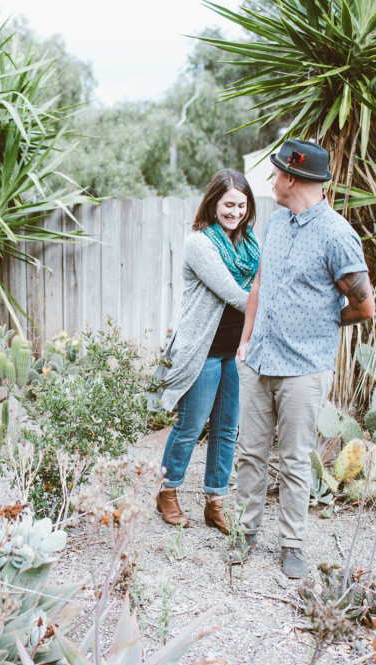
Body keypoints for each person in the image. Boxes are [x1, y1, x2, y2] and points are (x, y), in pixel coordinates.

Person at [230, 139, 375, 577]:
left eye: (276, 174)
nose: (272, 182)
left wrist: (322, 325)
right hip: (258, 362)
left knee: (295, 460)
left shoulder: (336, 235)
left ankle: (292, 543)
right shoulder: (275, 225)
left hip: (304, 370)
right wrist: (246, 339)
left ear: (292, 178)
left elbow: (364, 306)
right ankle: (245, 532)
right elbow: (259, 283)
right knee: (250, 454)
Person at [154, 168, 260, 535]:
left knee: (227, 428)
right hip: (203, 351)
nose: (235, 212)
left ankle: (215, 503)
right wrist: (275, 313)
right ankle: (167, 492)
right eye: (228, 204)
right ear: (214, 202)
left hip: (235, 351)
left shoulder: (251, 245)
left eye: (241, 205)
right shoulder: (199, 243)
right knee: (190, 425)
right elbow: (234, 292)